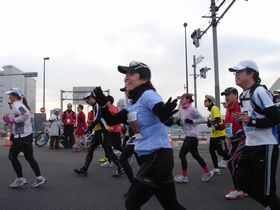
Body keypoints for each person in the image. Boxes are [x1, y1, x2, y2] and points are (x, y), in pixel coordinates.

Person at [93, 61, 185, 210]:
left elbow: (160, 110)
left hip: (157, 155)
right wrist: (103, 104)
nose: (126, 78)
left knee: (132, 202)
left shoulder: (148, 94)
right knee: (171, 205)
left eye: (131, 74)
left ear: (144, 79)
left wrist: (164, 114)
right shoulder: (133, 103)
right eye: (125, 75)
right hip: (152, 156)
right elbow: (111, 120)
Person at [229, 60, 280, 210]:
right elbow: (253, 116)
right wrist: (243, 118)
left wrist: (251, 121)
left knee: (266, 190)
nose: (236, 75)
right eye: (235, 73)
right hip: (251, 145)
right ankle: (269, 205)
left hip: (266, 145)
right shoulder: (245, 94)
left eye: (239, 72)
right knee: (240, 181)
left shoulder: (259, 92)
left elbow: (276, 118)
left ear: (251, 74)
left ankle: (270, 205)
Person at [3, 87, 46, 188]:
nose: (9, 97)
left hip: (22, 137)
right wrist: (11, 121)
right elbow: (22, 116)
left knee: (12, 156)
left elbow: (26, 114)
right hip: (26, 135)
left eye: (10, 95)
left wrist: (12, 120)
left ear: (15, 96)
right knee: (29, 158)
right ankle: (39, 178)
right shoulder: (18, 104)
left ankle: (20, 179)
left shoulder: (17, 104)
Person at [74, 92, 124, 177]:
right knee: (91, 149)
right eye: (86, 101)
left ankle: (121, 168)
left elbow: (97, 119)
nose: (87, 102)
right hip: (98, 132)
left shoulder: (98, 105)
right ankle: (85, 169)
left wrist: (88, 128)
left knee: (109, 151)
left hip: (102, 131)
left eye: (87, 100)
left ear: (92, 98)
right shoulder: (95, 106)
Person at [174, 93, 214, 183]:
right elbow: (178, 117)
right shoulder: (182, 108)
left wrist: (192, 121)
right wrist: (179, 122)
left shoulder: (192, 109)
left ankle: (184, 177)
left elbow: (203, 119)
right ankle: (208, 172)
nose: (181, 100)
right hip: (190, 136)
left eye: (183, 98)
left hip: (191, 136)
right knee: (196, 156)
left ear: (188, 100)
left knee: (182, 155)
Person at [221, 87, 246, 200]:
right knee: (240, 165)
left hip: (242, 139)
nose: (226, 97)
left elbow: (246, 121)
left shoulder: (241, 106)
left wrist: (240, 132)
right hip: (233, 140)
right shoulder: (228, 109)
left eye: (228, 94)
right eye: (225, 95)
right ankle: (245, 189)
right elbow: (227, 125)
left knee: (231, 163)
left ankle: (238, 190)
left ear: (235, 95)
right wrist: (218, 125)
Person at [204, 95, 230, 175]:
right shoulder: (212, 109)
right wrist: (210, 123)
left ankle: (233, 160)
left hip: (219, 134)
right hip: (214, 135)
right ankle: (216, 168)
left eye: (206, 101)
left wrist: (211, 122)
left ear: (210, 101)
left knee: (220, 152)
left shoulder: (214, 108)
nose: (204, 102)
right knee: (213, 151)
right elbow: (214, 122)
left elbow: (218, 120)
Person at [100, 95, 124, 168]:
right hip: (112, 130)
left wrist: (112, 127)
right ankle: (111, 160)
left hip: (114, 130)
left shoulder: (112, 109)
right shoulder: (110, 108)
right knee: (111, 146)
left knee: (112, 146)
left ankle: (111, 161)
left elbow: (118, 119)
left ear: (109, 102)